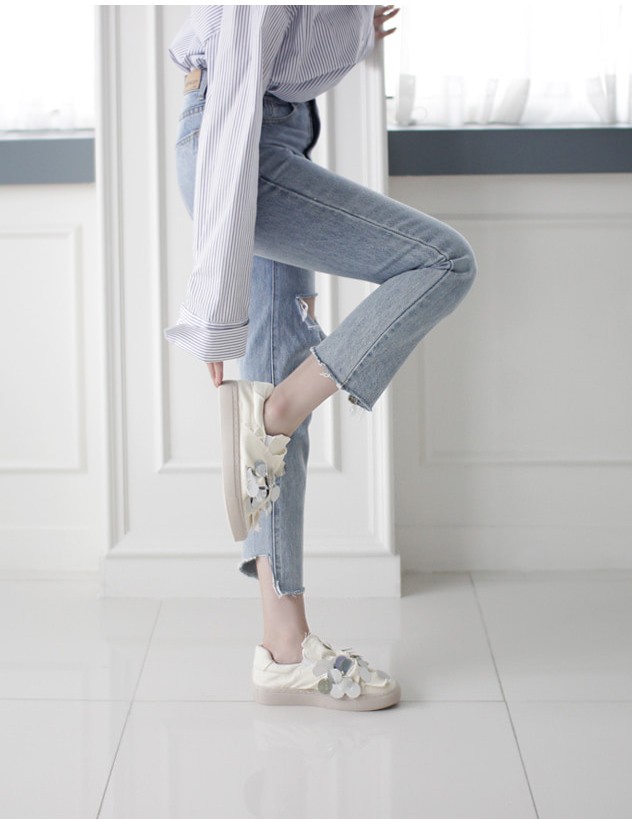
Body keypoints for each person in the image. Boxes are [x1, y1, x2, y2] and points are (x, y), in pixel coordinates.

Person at [167, 5, 476, 711]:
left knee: (275, 407)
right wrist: (216, 309)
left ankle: (285, 650)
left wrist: (352, 28)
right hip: (242, 149)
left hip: (270, 144)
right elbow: (235, 84)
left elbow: (277, 55)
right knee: (444, 262)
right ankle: (277, 410)